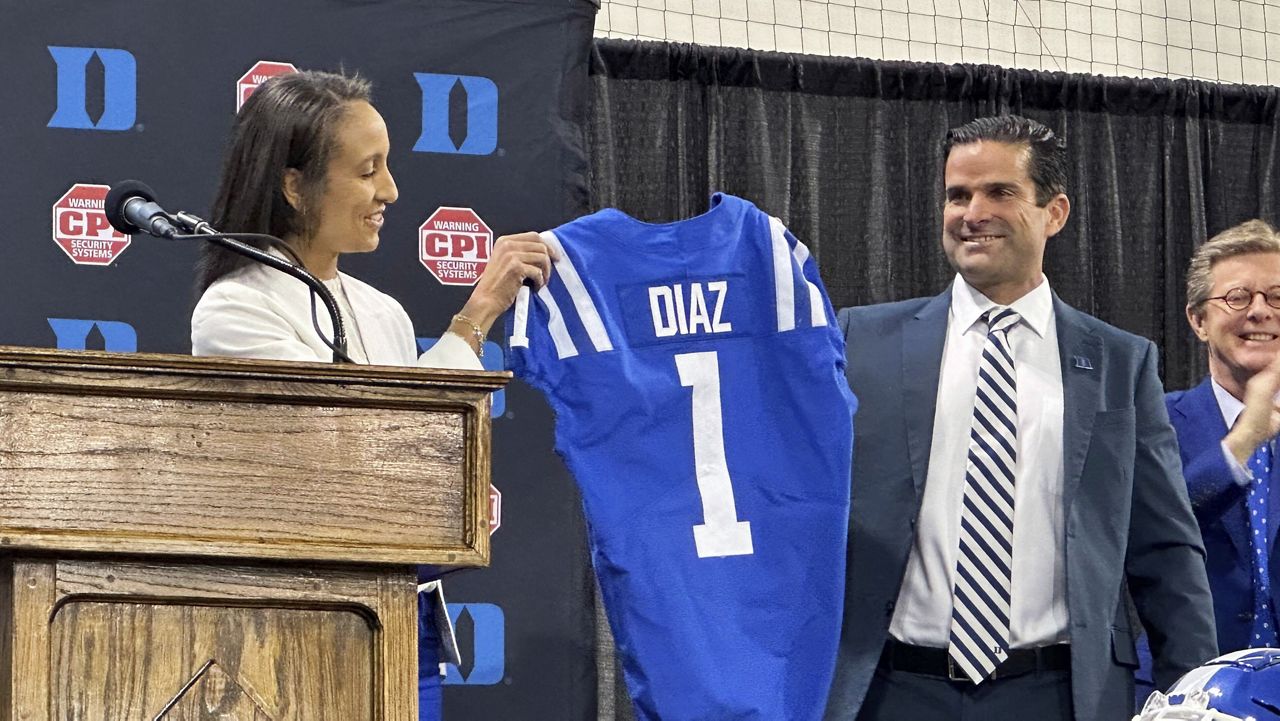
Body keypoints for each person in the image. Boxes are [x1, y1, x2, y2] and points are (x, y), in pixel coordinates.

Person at [823, 115, 1217, 721]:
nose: (972, 212)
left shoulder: (1120, 361)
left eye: (999, 192)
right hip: (892, 690)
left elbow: (1164, 547)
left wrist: (1194, 696)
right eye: (958, 195)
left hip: (1058, 695)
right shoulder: (861, 341)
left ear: (1054, 212)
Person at [189, 70, 554, 718]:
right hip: (305, 626)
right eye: (368, 170)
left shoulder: (380, 310)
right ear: (294, 185)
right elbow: (356, 456)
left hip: (405, 622)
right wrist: (476, 315)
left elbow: (429, 450)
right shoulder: (235, 309)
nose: (390, 190)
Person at [1136, 220, 1280, 700]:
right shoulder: (1155, 420)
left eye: (1276, 297)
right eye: (1238, 298)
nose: (1260, 311)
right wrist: (1244, 440)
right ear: (1198, 321)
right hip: (1185, 690)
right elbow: (1152, 527)